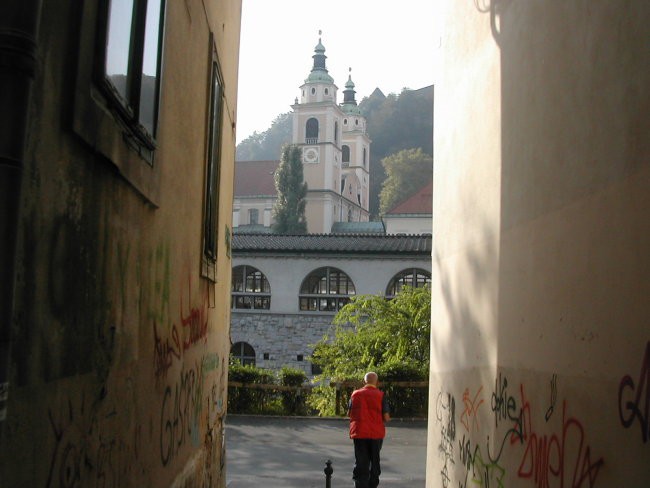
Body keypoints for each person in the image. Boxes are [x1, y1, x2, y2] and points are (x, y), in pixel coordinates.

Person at [348, 371, 391, 488]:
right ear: (377, 382)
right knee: (374, 462)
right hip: (376, 433)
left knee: (361, 461)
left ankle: (360, 484)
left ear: (364, 381)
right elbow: (386, 417)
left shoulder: (355, 394)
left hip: (359, 432)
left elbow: (349, 413)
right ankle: (372, 484)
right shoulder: (381, 395)